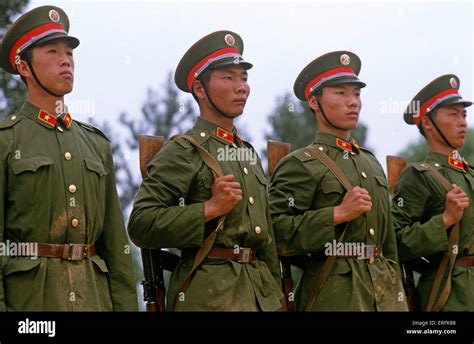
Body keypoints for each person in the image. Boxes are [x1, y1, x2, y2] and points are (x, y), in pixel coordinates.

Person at [128, 30, 283, 311]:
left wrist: (277, 298)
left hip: (260, 297)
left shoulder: (248, 154)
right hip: (208, 298)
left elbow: (266, 241)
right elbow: (141, 224)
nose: (241, 87)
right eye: (228, 77)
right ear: (200, 89)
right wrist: (209, 209)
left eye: (244, 78)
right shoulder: (183, 150)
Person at [0, 5, 138, 311]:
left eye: (69, 54)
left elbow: (116, 246)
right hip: (32, 305)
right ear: (24, 67)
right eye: (52, 52)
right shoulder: (6, 140)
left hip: (94, 299)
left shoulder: (95, 144)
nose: (66, 61)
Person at [268, 51, 408, 311]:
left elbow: (387, 245)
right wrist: (336, 214)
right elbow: (275, 232)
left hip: (385, 295)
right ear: (314, 101)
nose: (353, 102)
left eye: (356, 94)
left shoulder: (371, 163)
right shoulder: (301, 163)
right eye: (341, 93)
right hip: (335, 296)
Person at [392, 74, 474, 311]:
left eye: (463, 114)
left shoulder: (469, 174)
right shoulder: (419, 175)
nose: (462, 122)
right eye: (452, 114)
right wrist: (445, 220)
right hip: (448, 296)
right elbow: (395, 242)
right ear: (428, 123)